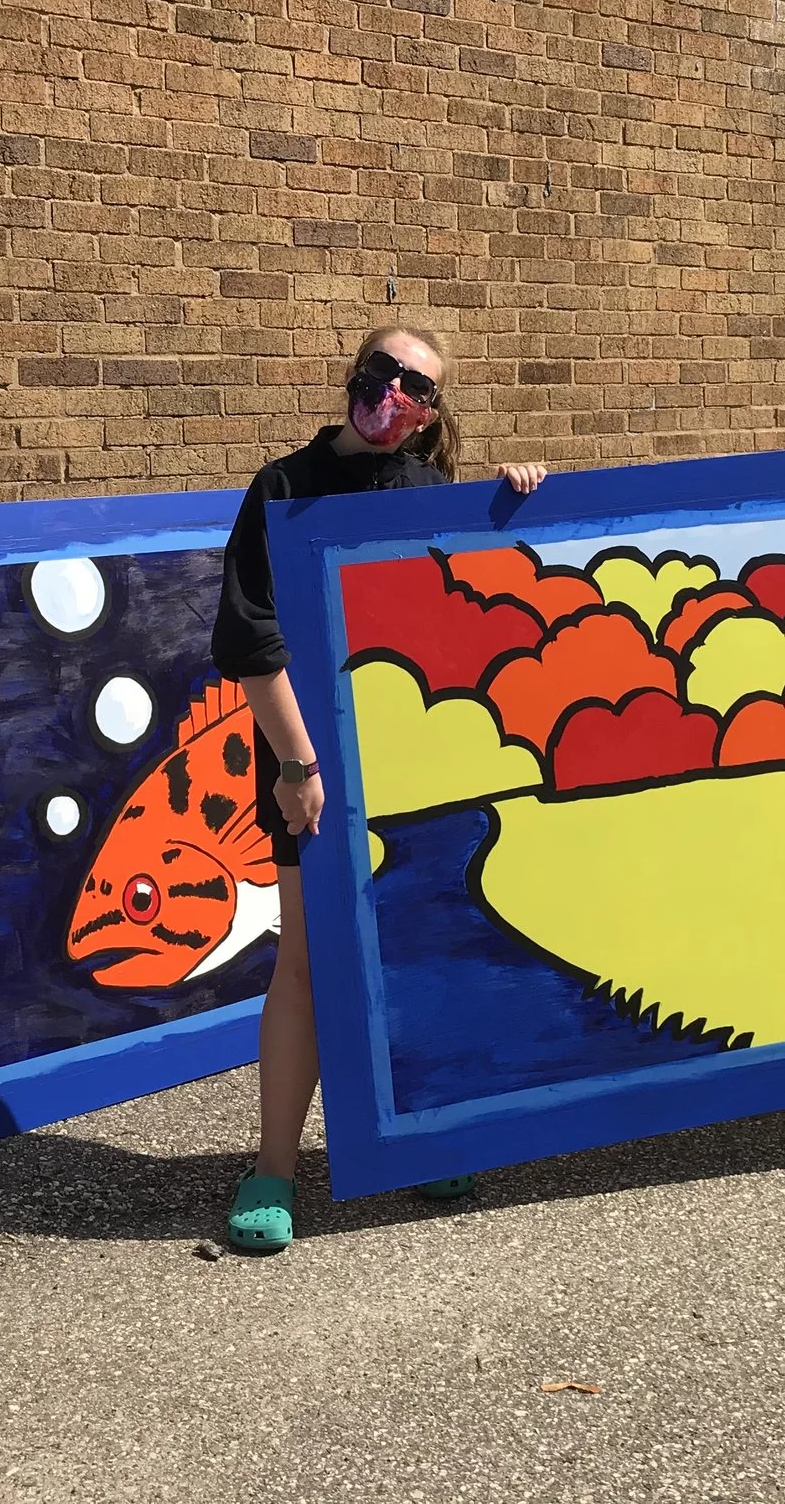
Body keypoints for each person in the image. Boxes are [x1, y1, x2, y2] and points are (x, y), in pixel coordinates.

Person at [210, 326, 546, 1252]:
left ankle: (417, 1139)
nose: (397, 394)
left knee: (410, 952)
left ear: (436, 411)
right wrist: (296, 765)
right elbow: (250, 640)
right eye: (387, 373)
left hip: (411, 761)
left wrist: (511, 497)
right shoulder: (282, 485)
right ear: (355, 370)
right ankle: (273, 1165)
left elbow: (478, 604)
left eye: (421, 389)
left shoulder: (433, 492)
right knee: (307, 965)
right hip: (307, 769)